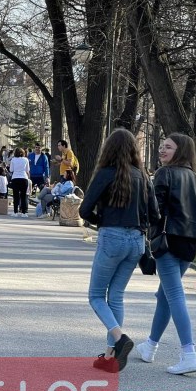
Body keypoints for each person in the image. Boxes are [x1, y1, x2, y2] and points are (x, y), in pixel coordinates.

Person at [79, 128, 159, 373]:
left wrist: (101, 219)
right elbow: (155, 215)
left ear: (109, 149)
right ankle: (110, 356)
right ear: (134, 150)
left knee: (95, 296)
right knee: (116, 296)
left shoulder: (106, 174)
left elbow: (84, 211)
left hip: (112, 237)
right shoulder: (143, 177)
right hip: (136, 241)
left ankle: (120, 337)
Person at [137, 133, 196, 375]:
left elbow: (154, 209)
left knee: (175, 295)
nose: (162, 150)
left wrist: (145, 229)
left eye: (168, 148)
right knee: (165, 295)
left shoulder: (165, 174)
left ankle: (189, 353)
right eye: (161, 147)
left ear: (179, 151)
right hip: (190, 244)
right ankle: (149, 347)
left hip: (168, 242)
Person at [8, 147, 31, 217]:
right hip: (24, 178)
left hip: (15, 178)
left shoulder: (13, 160)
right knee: (23, 196)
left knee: (16, 196)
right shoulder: (26, 159)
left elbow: (11, 170)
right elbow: (27, 170)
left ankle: (15, 212)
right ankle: (24, 212)